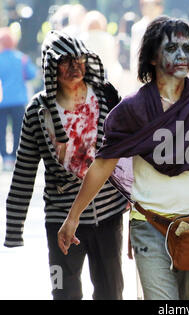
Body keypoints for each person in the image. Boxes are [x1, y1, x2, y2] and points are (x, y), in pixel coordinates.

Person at [57, 16, 189, 300]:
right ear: (153, 57)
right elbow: (103, 164)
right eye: (171, 48)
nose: (181, 55)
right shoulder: (132, 110)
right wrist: (73, 217)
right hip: (149, 225)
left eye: (186, 48)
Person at [4, 30, 128, 300]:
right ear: (50, 66)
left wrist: (133, 195)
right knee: (63, 291)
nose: (74, 67)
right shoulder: (38, 111)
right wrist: (14, 228)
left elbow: (127, 150)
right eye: (64, 61)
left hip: (108, 213)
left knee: (111, 292)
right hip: (61, 217)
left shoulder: (106, 96)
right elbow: (25, 171)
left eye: (79, 59)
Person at [0, 27, 37, 171]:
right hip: (18, 100)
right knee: (18, 130)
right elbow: (32, 74)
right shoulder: (21, 58)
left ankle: (5, 157)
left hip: (2, 101)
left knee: (1, 130)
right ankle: (14, 156)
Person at [130, 0, 164, 80]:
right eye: (146, 5)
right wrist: (135, 72)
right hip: (144, 72)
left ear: (160, 7)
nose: (150, 9)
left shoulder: (167, 25)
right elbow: (135, 51)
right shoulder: (137, 28)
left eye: (153, 5)